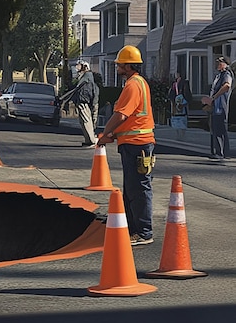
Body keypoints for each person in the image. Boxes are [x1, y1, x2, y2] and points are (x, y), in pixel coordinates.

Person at [98, 45, 155, 246]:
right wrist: (113, 134)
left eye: (120, 64)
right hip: (134, 143)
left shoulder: (133, 85)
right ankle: (132, 229)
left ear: (129, 65)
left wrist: (105, 133)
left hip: (137, 145)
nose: (117, 67)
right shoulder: (138, 83)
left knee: (138, 189)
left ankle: (144, 232)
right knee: (132, 188)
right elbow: (129, 118)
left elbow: (121, 114)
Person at [61, 60, 99, 147]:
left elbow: (82, 91)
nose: (77, 67)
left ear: (85, 67)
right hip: (84, 102)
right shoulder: (84, 77)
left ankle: (92, 140)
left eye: (80, 65)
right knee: (84, 122)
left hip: (84, 102)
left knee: (86, 121)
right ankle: (88, 140)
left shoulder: (86, 77)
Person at [204, 56, 233, 161]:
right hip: (215, 106)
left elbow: (227, 86)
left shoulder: (227, 74)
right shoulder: (218, 76)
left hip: (221, 106)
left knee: (220, 129)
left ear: (225, 64)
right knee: (215, 129)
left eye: (220, 63)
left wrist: (214, 97)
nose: (218, 64)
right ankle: (216, 151)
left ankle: (222, 152)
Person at [168, 72, 193, 140]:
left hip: (182, 102)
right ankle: (178, 134)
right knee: (176, 120)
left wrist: (185, 101)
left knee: (182, 119)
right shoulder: (174, 83)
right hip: (176, 103)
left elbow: (187, 94)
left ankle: (182, 134)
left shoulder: (184, 83)